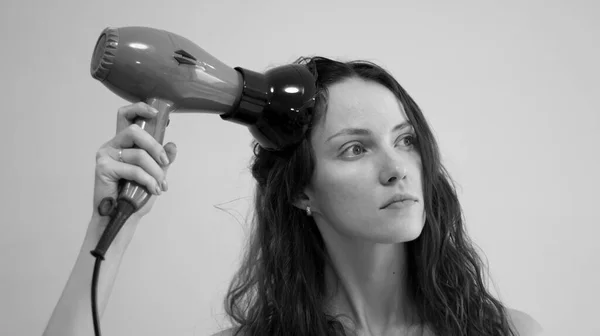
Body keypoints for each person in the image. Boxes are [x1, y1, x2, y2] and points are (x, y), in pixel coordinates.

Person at [42, 57, 543, 336]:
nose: (397, 170)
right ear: (303, 190)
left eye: (406, 140)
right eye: (354, 148)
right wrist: (112, 220)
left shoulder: (510, 334)